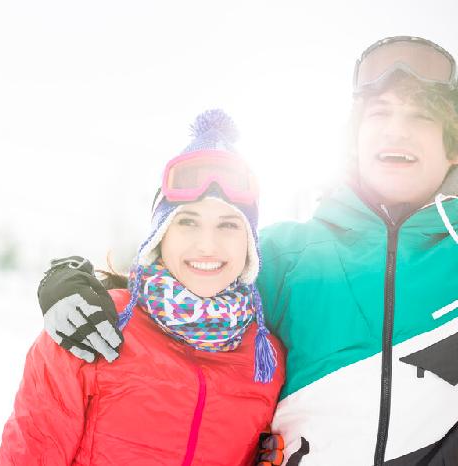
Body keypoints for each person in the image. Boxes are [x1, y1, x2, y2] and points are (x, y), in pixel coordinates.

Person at [34, 36, 458, 465]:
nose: (397, 130)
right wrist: (70, 284)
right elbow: (176, 291)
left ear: (453, 148)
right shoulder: (287, 254)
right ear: (352, 141)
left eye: (422, 116)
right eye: (380, 113)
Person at [0, 110, 286, 465]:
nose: (207, 245)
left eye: (228, 226)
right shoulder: (90, 326)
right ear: (159, 237)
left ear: (249, 247)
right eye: (188, 223)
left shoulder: (267, 360)